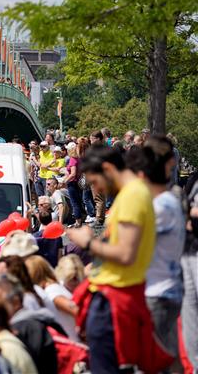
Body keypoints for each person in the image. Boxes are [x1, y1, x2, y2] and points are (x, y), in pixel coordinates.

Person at [66, 145, 171, 373]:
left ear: (108, 168)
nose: (97, 188)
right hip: (116, 296)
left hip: (113, 301)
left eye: (95, 181)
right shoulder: (134, 194)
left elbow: (125, 253)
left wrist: (87, 242)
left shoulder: (132, 196)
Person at [128, 136, 185, 359]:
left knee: (154, 359)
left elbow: (129, 250)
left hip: (157, 293)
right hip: (167, 290)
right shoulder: (170, 201)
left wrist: (90, 243)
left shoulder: (159, 206)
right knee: (168, 358)